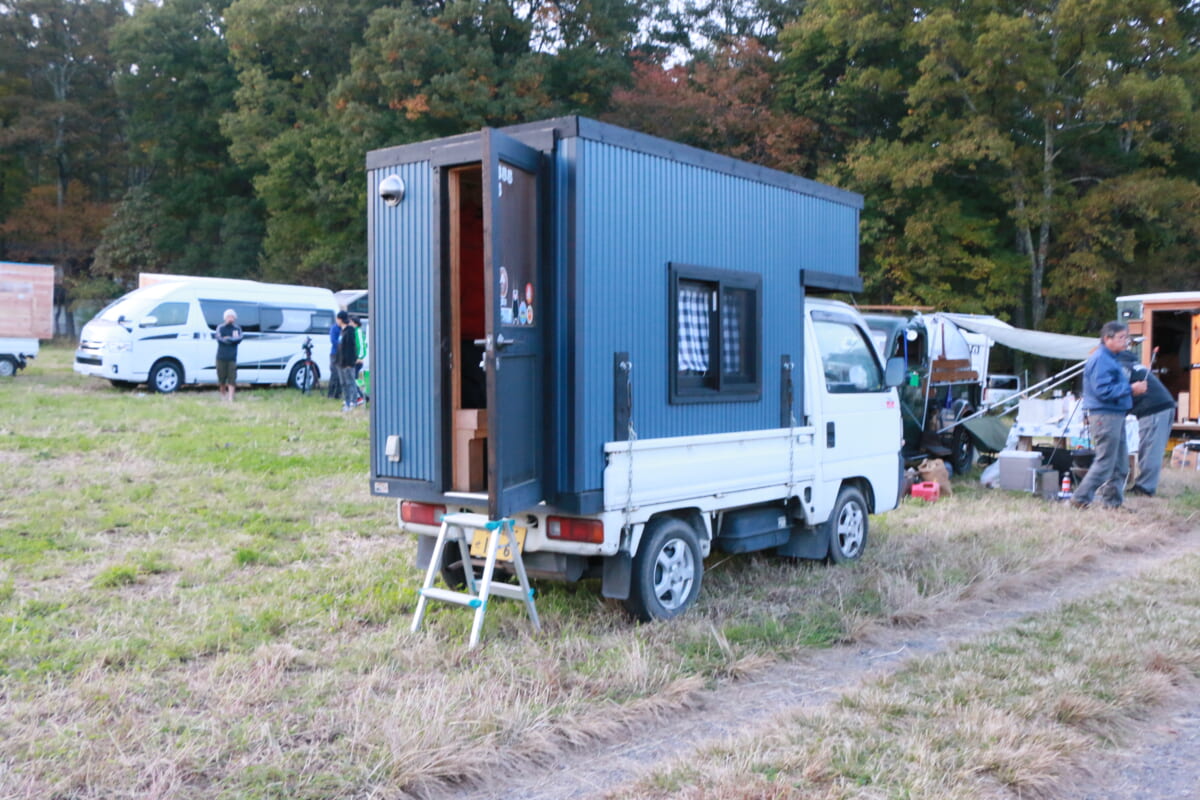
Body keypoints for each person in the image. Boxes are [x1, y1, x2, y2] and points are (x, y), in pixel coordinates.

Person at [1072, 321, 1147, 509]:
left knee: (1121, 465)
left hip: (1115, 414)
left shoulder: (1111, 358)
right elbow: (1103, 390)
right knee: (1105, 462)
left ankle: (1112, 503)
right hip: (1105, 416)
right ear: (1107, 338)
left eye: (1126, 337)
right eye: (1121, 337)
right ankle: (1079, 499)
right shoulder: (1101, 359)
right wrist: (1131, 388)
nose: (1126, 341)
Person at [1116, 350, 1176, 497]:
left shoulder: (1122, 367)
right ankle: (1145, 484)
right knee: (1151, 447)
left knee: (1150, 448)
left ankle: (1145, 488)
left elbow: (1121, 392)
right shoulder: (1134, 365)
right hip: (1164, 405)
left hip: (1154, 408)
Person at [335, 311, 363, 411]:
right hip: (340, 362)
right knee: (343, 383)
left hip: (348, 363)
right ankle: (346, 402)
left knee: (350, 382)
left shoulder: (350, 331)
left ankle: (353, 402)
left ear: (340, 319)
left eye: (337, 319)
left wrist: (351, 362)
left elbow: (351, 348)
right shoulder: (342, 331)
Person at [215, 308, 243, 403]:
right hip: (221, 357)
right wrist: (230, 340)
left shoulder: (237, 328)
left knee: (232, 378)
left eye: (232, 317)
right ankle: (223, 395)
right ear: (225, 318)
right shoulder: (220, 327)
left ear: (235, 318)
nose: (230, 318)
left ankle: (231, 398)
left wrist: (228, 338)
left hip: (232, 358)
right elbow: (219, 338)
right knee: (221, 378)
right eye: (228, 316)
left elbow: (239, 339)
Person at [351, 316, 368, 406]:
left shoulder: (358, 332)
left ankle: (360, 397)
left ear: (355, 323)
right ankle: (359, 396)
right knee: (354, 378)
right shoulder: (355, 331)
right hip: (355, 359)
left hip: (358, 360)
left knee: (354, 379)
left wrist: (360, 357)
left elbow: (361, 346)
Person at [326, 316, 343, 400]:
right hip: (335, 354)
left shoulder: (344, 328)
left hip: (342, 354)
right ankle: (331, 394)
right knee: (334, 374)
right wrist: (342, 346)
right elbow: (333, 340)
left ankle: (338, 394)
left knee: (341, 374)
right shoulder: (334, 328)